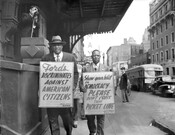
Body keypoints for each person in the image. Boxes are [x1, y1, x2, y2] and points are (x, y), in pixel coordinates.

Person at [41, 35, 78, 135]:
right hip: (51, 98)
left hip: (65, 97)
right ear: (52, 47)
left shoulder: (70, 58)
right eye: (54, 45)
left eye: (59, 45)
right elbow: (42, 76)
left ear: (62, 46)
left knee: (67, 122)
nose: (57, 47)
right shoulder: (45, 58)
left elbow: (75, 73)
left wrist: (73, 86)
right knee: (53, 123)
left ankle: (68, 132)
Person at [81, 49, 109, 135]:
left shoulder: (106, 68)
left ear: (100, 57)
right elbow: (81, 82)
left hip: (101, 99)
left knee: (101, 118)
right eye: (94, 56)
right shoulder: (85, 68)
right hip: (90, 99)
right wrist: (82, 88)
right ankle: (92, 132)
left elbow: (109, 83)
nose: (96, 57)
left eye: (97, 55)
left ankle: (100, 133)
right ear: (91, 57)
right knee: (90, 118)